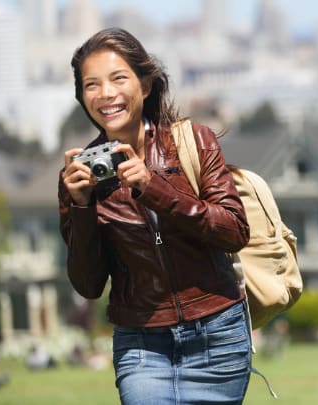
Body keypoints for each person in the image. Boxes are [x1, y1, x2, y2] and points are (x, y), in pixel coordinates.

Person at [59, 28, 251, 404]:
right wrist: (81, 206)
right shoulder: (79, 177)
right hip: (142, 344)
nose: (106, 94)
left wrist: (154, 188)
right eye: (91, 85)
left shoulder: (193, 142)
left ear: (145, 85)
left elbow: (234, 230)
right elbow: (88, 285)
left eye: (118, 79)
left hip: (218, 336)